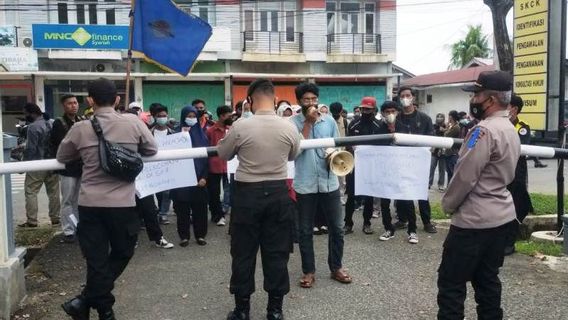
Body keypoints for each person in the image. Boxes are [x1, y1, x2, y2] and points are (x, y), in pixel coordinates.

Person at [58, 78, 158, 320]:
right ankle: (96, 305)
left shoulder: (80, 128)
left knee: (96, 259)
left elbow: (62, 155)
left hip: (90, 204)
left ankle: (93, 305)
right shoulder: (133, 123)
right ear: (117, 100)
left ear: (89, 101)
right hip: (122, 206)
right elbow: (152, 150)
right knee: (123, 252)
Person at [437, 70, 519, 320]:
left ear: (491, 100)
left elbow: (465, 176)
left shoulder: (481, 131)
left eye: (476, 94)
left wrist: (448, 205)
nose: (473, 100)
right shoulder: (509, 127)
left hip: (473, 223)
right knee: (487, 282)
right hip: (501, 217)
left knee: (451, 284)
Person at [217, 79, 300, 320]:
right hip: (278, 193)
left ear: (250, 101)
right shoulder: (288, 127)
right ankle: (275, 310)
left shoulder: (242, 126)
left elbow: (224, 153)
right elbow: (294, 154)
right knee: (277, 253)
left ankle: (242, 310)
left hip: (247, 194)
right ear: (275, 100)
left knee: (243, 253)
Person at [290, 82, 352, 289]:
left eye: (313, 99)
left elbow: (337, 146)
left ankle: (337, 267)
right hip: (305, 184)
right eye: (306, 99)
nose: (310, 103)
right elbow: (294, 153)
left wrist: (333, 156)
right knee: (305, 230)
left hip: (329, 182)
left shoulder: (329, 121)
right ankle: (309, 271)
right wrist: (307, 124)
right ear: (299, 101)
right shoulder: (292, 123)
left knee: (337, 227)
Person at [395, 87, 437, 236]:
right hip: (401, 161)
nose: (405, 98)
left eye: (408, 95)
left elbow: (431, 139)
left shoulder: (424, 118)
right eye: (402, 96)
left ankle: (427, 222)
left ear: (413, 97)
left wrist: (428, 150)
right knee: (402, 191)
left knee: (421, 193)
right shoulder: (396, 118)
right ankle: (402, 219)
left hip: (419, 163)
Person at [375, 101, 419, 243]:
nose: (390, 114)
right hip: (385, 171)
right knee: (384, 202)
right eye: (387, 111)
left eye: (393, 111)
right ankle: (388, 228)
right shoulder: (378, 130)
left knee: (407, 200)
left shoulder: (405, 128)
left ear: (398, 112)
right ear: (382, 114)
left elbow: (412, 148)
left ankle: (412, 231)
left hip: (402, 170)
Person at [171, 105, 210, 247]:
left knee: (200, 209)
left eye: (194, 117)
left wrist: (204, 177)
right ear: (183, 117)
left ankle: (200, 235)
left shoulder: (203, 135)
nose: (191, 119)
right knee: (182, 210)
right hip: (181, 180)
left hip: (200, 179)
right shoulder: (175, 135)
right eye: (189, 116)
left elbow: (207, 159)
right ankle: (184, 236)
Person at [18, 103, 61, 228]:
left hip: (38, 163)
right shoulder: (52, 122)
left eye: (26, 114)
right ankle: (55, 219)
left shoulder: (33, 127)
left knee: (31, 191)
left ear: (31, 113)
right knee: (53, 192)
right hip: (53, 163)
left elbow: (31, 149)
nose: (25, 116)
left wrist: (24, 164)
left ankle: (32, 221)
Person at [344, 97, 382, 235]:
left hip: (370, 167)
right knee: (351, 196)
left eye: (368, 109)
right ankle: (348, 223)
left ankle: (367, 223)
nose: (365, 111)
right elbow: (347, 143)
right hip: (354, 166)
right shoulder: (353, 124)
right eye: (363, 109)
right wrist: (351, 148)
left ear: (373, 109)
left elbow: (382, 147)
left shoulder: (379, 126)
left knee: (369, 196)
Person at [50, 94, 85, 242]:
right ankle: (68, 231)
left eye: (75, 103)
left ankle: (78, 227)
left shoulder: (82, 121)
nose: (74, 105)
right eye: (70, 103)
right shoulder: (59, 123)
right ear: (63, 106)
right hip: (67, 169)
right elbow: (62, 144)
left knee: (79, 200)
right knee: (67, 200)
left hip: (81, 168)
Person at [504, 94, 534, 256]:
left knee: (515, 205)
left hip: (516, 172)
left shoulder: (522, 127)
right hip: (501, 171)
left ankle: (510, 242)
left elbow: (519, 146)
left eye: (506, 106)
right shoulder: (498, 125)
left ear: (514, 109)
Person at [206, 105, 233, 226]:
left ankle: (223, 212)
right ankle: (217, 215)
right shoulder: (210, 131)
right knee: (214, 193)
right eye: (229, 115)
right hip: (214, 166)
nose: (231, 117)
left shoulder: (232, 129)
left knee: (229, 190)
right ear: (222, 116)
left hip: (229, 166)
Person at [149, 103, 175, 224]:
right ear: (155, 117)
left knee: (167, 192)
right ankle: (158, 210)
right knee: (158, 191)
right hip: (153, 166)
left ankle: (163, 213)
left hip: (168, 166)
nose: (162, 118)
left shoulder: (173, 133)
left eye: (164, 115)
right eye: (159, 116)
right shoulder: (149, 133)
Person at [430, 113, 447, 191]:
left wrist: (444, 130)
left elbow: (447, 136)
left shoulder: (446, 126)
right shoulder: (433, 126)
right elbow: (432, 135)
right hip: (434, 150)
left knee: (442, 169)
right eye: (438, 117)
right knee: (432, 167)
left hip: (443, 150)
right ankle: (429, 183)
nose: (439, 119)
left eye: (441, 117)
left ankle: (441, 185)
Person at [444, 110, 461, 183]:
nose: (448, 118)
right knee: (449, 172)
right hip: (448, 152)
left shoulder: (456, 127)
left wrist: (447, 128)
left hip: (453, 153)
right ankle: (448, 187)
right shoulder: (453, 126)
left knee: (452, 172)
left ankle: (451, 188)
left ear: (451, 116)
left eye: (448, 116)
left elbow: (446, 135)